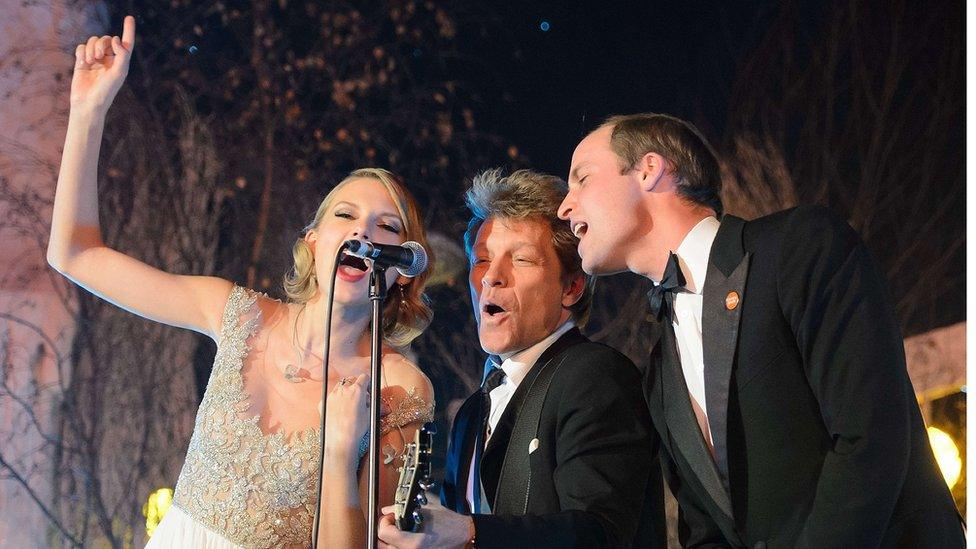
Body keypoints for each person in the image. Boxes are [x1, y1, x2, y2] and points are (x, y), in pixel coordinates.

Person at [48, 16, 436, 548]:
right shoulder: (236, 312)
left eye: (386, 227)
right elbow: (74, 254)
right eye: (345, 216)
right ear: (312, 242)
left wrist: (342, 454)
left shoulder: (398, 388)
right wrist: (87, 112)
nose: (363, 232)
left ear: (399, 271)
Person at [557, 113, 965, 547]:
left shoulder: (800, 247)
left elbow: (871, 437)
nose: (565, 207)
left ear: (649, 169)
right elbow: (706, 532)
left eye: (582, 178)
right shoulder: (658, 374)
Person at [377, 169, 665, 549]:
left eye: (522, 260)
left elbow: (601, 533)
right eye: (481, 260)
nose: (492, 278)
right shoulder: (471, 412)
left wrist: (469, 531)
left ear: (572, 286)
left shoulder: (595, 376)